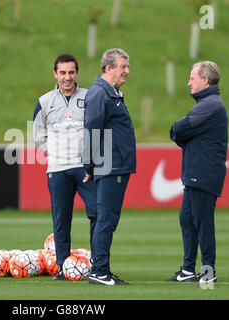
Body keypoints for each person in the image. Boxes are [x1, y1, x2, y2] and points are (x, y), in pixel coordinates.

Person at [33, 53, 97, 280]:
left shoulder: (91, 97)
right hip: (57, 168)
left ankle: (99, 266)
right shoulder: (44, 101)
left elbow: (99, 129)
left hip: (85, 168)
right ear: (55, 74)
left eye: (71, 72)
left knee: (97, 214)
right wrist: (57, 152)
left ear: (77, 73)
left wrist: (91, 158)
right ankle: (61, 267)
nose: (67, 77)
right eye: (63, 72)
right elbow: (39, 134)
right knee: (61, 218)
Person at [165, 61, 228, 283]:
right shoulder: (208, 103)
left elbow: (178, 129)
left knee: (202, 221)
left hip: (203, 173)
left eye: (192, 78)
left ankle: (208, 270)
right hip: (197, 172)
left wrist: (180, 132)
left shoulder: (209, 105)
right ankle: (188, 270)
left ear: (205, 80)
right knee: (188, 220)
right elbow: (182, 133)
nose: (188, 83)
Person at [82, 48, 136, 285]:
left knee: (107, 219)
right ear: (108, 68)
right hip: (109, 166)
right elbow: (91, 130)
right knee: (106, 219)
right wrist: (89, 165)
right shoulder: (99, 94)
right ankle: (99, 271)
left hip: (115, 166)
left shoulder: (110, 93)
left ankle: (102, 269)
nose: (127, 71)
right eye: (123, 66)